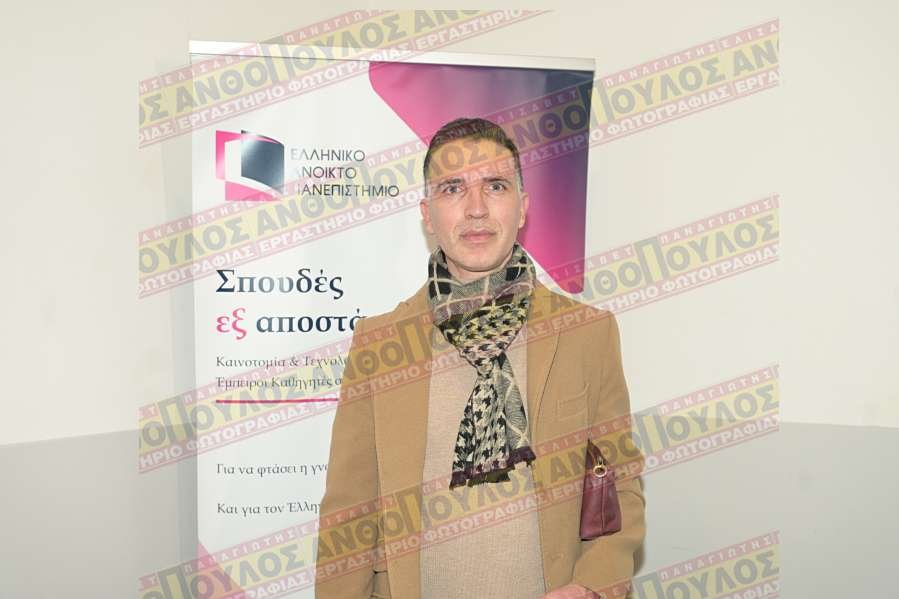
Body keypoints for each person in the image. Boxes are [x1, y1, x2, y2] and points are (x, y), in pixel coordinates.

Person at [315, 118, 646, 599]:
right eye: (453, 189)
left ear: (523, 206)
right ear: (428, 215)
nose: (475, 208)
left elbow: (620, 483)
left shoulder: (586, 334)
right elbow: (349, 513)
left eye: (495, 186)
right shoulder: (380, 344)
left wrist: (592, 586)